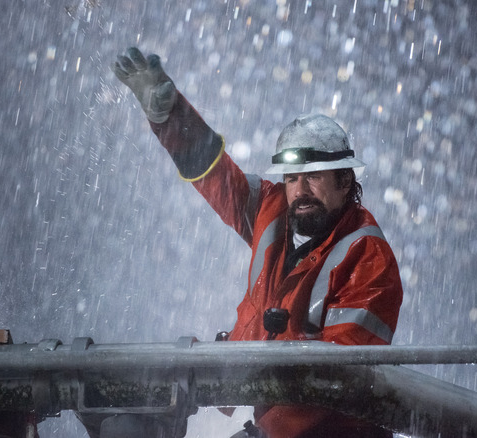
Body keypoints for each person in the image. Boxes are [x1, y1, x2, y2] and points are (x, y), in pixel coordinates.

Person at [88, 47, 403, 438]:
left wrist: (263, 434)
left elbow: (341, 381)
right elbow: (218, 177)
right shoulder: (275, 212)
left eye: (314, 177)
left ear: (345, 182)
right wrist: (169, 117)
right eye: (291, 178)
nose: (300, 190)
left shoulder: (369, 259)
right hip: (274, 421)